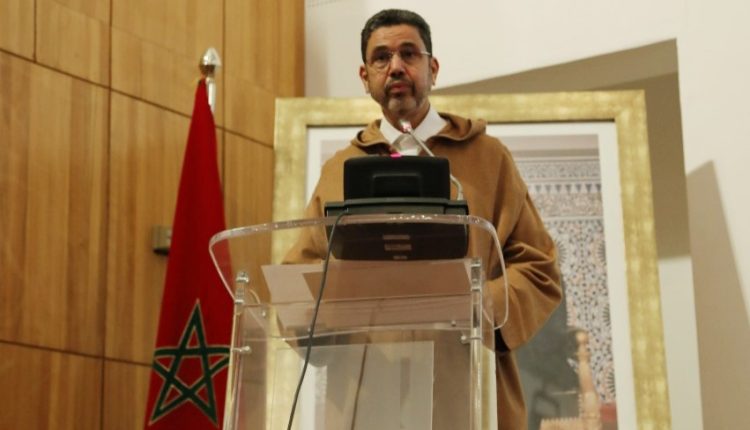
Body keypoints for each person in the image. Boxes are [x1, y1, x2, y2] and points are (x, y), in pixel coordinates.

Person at [285, 8, 562, 429]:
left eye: (409, 53)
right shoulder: (339, 171)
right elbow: (300, 275)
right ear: (365, 77)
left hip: (463, 385)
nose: (395, 66)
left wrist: (481, 303)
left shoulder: (488, 159)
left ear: (432, 69)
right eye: (381, 57)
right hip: (367, 392)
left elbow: (539, 267)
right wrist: (315, 315)